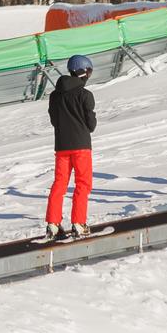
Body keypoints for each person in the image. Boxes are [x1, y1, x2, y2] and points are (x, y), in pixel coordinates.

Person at [45, 54, 97, 240]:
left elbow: (54, 121)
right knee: (82, 184)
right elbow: (91, 125)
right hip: (81, 145)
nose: (89, 75)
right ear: (82, 71)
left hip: (61, 146)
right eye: (89, 71)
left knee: (59, 184)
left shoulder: (54, 96)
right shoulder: (85, 95)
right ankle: (79, 223)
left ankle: (53, 224)